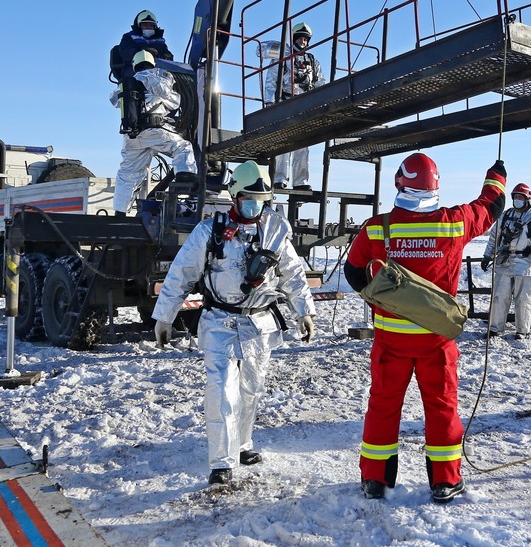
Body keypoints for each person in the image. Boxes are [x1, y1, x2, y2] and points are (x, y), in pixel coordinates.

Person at [343, 152, 506, 504]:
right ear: (435, 186)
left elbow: (354, 272)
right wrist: (496, 175)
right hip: (437, 341)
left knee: (383, 407)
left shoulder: (376, 226)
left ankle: (375, 479)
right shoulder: (455, 223)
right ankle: (444, 481)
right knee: (442, 407)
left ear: (400, 183)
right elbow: (492, 206)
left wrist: (379, 302)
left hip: (390, 343)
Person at [151, 160, 315, 487]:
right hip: (219, 323)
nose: (256, 204)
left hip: (259, 324)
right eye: (249, 197)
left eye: (262, 199)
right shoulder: (209, 232)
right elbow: (181, 275)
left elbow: (293, 274)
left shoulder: (275, 231)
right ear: (235, 196)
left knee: (249, 390)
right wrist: (164, 316)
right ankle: (221, 463)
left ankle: (241, 445)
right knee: (222, 392)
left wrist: (304, 311)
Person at [109, 50, 197, 215]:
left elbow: (114, 100)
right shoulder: (158, 76)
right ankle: (185, 178)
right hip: (154, 129)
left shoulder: (127, 81)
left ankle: (119, 213)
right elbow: (174, 102)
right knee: (183, 147)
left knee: (128, 174)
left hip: (132, 135)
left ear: (135, 65)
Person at [480, 182, 531, 339]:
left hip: (525, 263)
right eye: (515, 196)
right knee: (498, 297)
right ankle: (495, 328)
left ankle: (522, 331)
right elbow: (494, 238)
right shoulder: (505, 216)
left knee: (523, 299)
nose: (517, 199)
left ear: (527, 199)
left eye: (520, 197)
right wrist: (487, 255)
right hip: (504, 261)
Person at [263, 22, 324, 190]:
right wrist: (269, 103)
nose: (303, 42)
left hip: (304, 106)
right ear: (294, 38)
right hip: (285, 104)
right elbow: (271, 81)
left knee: (303, 146)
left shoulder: (312, 61)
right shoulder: (282, 57)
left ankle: (300, 182)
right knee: (283, 143)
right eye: (300, 38)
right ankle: (279, 179)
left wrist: (322, 102)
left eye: (306, 39)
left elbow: (321, 83)